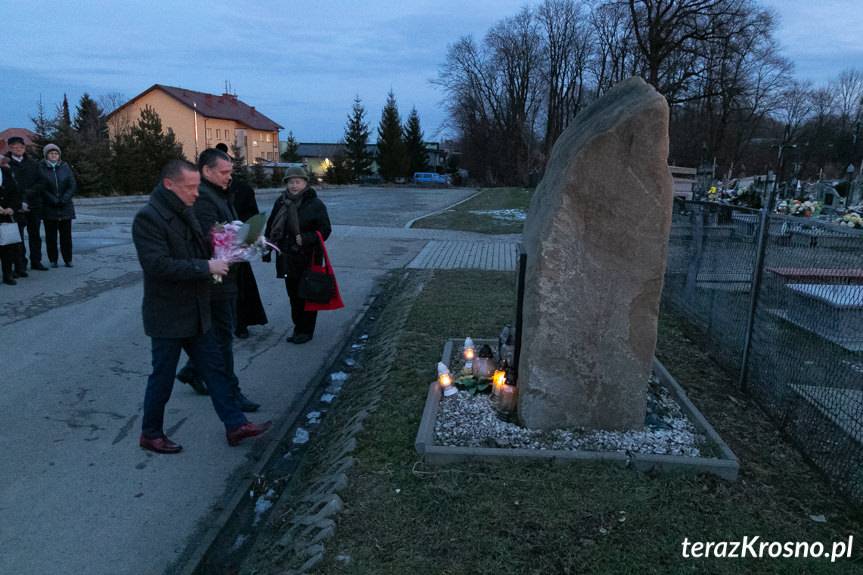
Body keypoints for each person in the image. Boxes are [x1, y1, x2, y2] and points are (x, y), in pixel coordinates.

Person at [132, 159, 271, 453]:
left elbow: (204, 246)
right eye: (191, 187)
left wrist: (236, 244)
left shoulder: (184, 210)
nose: (197, 193)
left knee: (215, 369)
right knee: (163, 377)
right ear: (170, 185)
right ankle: (151, 433)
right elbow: (157, 265)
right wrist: (206, 266)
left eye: (197, 186)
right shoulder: (149, 218)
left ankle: (235, 425)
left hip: (197, 308)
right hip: (168, 313)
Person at [175, 148, 260, 411]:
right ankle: (231, 394)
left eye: (230, 172)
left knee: (215, 337)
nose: (229, 177)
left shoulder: (221, 195)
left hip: (225, 277)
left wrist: (250, 238)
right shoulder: (203, 200)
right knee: (222, 340)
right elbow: (209, 241)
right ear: (206, 171)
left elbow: (227, 229)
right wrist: (241, 241)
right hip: (215, 281)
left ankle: (194, 372)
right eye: (224, 172)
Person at [264, 166, 331, 344]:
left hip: (308, 257)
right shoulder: (281, 202)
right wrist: (267, 245)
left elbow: (325, 230)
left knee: (307, 294)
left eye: (298, 182)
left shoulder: (315, 204)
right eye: (291, 182)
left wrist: (307, 238)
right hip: (286, 256)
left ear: (305, 183)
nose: (294, 185)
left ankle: (306, 331)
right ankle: (298, 327)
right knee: (293, 295)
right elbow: (271, 225)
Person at [215, 143, 268, 339]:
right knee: (217, 287)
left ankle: (241, 323)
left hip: (237, 248)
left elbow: (252, 217)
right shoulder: (205, 191)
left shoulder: (242, 189)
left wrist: (241, 235)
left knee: (240, 287)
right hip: (215, 251)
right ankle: (222, 324)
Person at [6, 136, 47, 272]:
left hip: (33, 204)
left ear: (24, 148)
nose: (18, 149)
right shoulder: (6, 164)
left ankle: (36, 261)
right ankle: (21, 264)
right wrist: (18, 199)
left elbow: (41, 182)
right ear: (10, 148)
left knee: (35, 235)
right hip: (15, 205)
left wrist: (28, 194)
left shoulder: (33, 163)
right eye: (14, 147)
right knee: (18, 237)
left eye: (20, 147)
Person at [36, 143, 76, 267]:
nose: (54, 155)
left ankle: (68, 259)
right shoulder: (41, 168)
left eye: (56, 153)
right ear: (46, 155)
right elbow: (41, 187)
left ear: (59, 155)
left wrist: (64, 198)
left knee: (66, 237)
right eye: (51, 153)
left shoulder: (65, 167)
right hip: (49, 207)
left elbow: (72, 184)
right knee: (51, 237)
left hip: (65, 207)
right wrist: (52, 199)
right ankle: (53, 260)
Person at [0, 157, 22, 285]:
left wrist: (12, 208)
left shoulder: (6, 172)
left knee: (7, 247)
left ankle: (7, 275)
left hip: (6, 216)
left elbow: (15, 193)